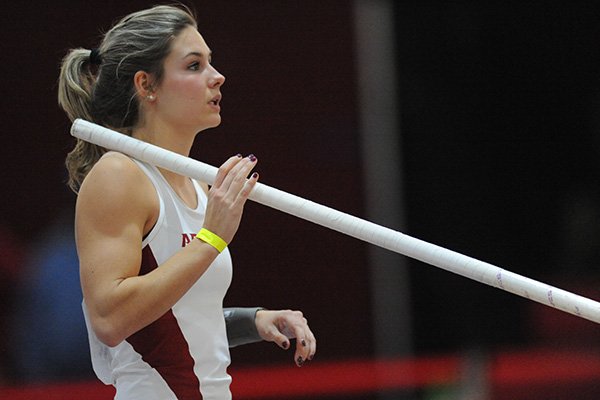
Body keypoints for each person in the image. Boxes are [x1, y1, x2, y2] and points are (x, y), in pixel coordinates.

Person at [57, 4, 316, 399]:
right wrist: (211, 239)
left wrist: (253, 320)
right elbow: (110, 320)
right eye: (195, 65)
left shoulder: (197, 184)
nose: (217, 77)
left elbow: (173, 323)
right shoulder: (119, 175)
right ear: (147, 85)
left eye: (210, 63)